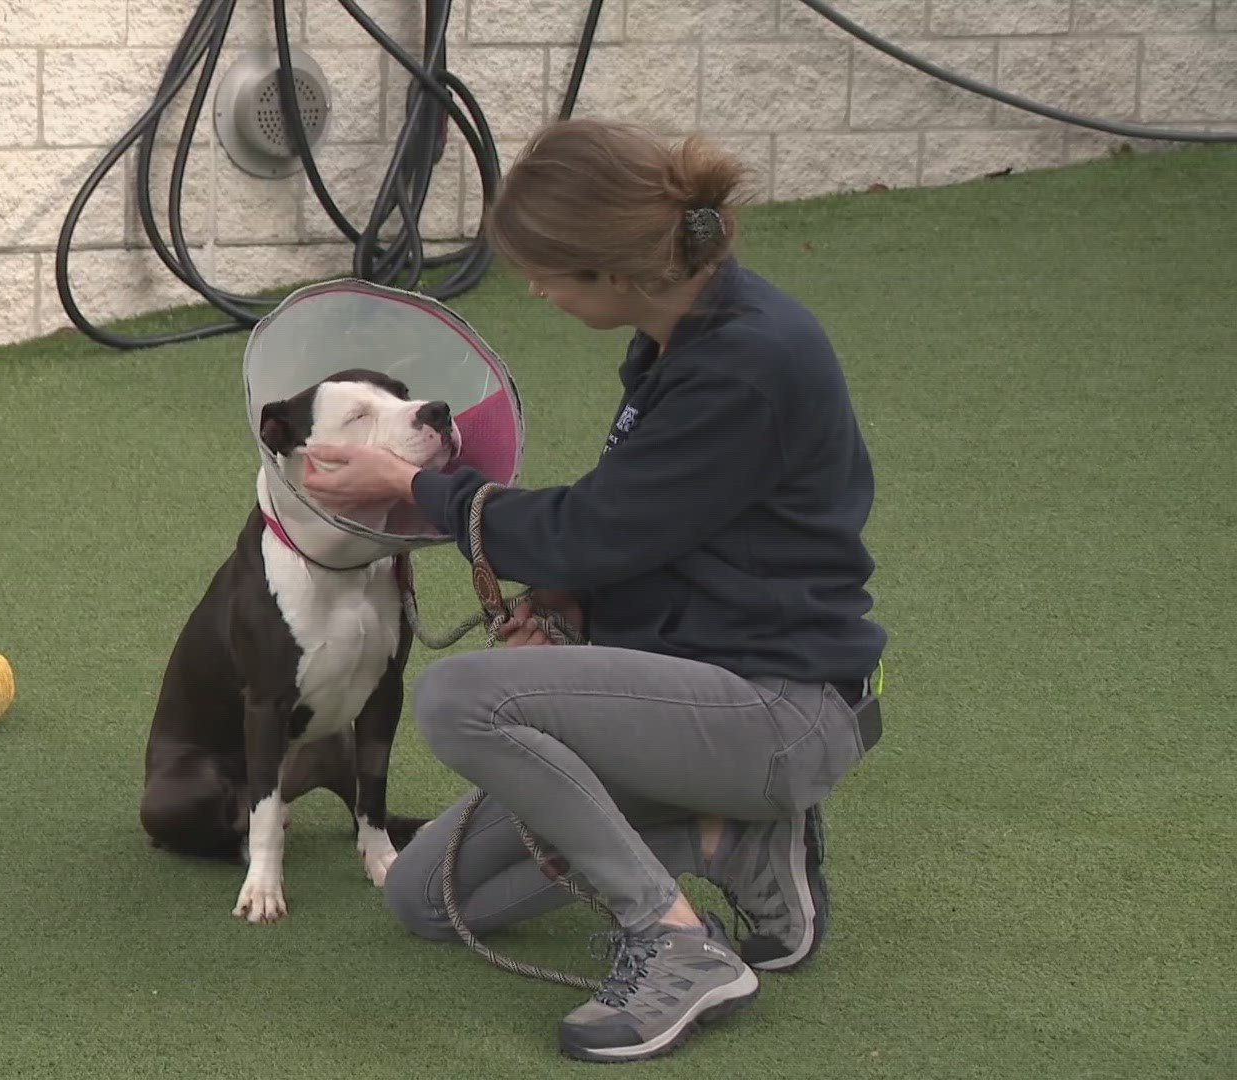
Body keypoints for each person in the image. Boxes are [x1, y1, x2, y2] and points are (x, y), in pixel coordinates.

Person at [300, 118, 886, 1064]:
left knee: (455, 698)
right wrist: (565, 603)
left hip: (781, 709)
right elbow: (648, 524)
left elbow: (593, 528)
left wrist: (412, 486)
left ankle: (675, 944)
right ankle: (725, 838)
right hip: (696, 694)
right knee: (428, 897)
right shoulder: (681, 336)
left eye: (550, 274)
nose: (536, 290)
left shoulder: (747, 363)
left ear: (618, 270)